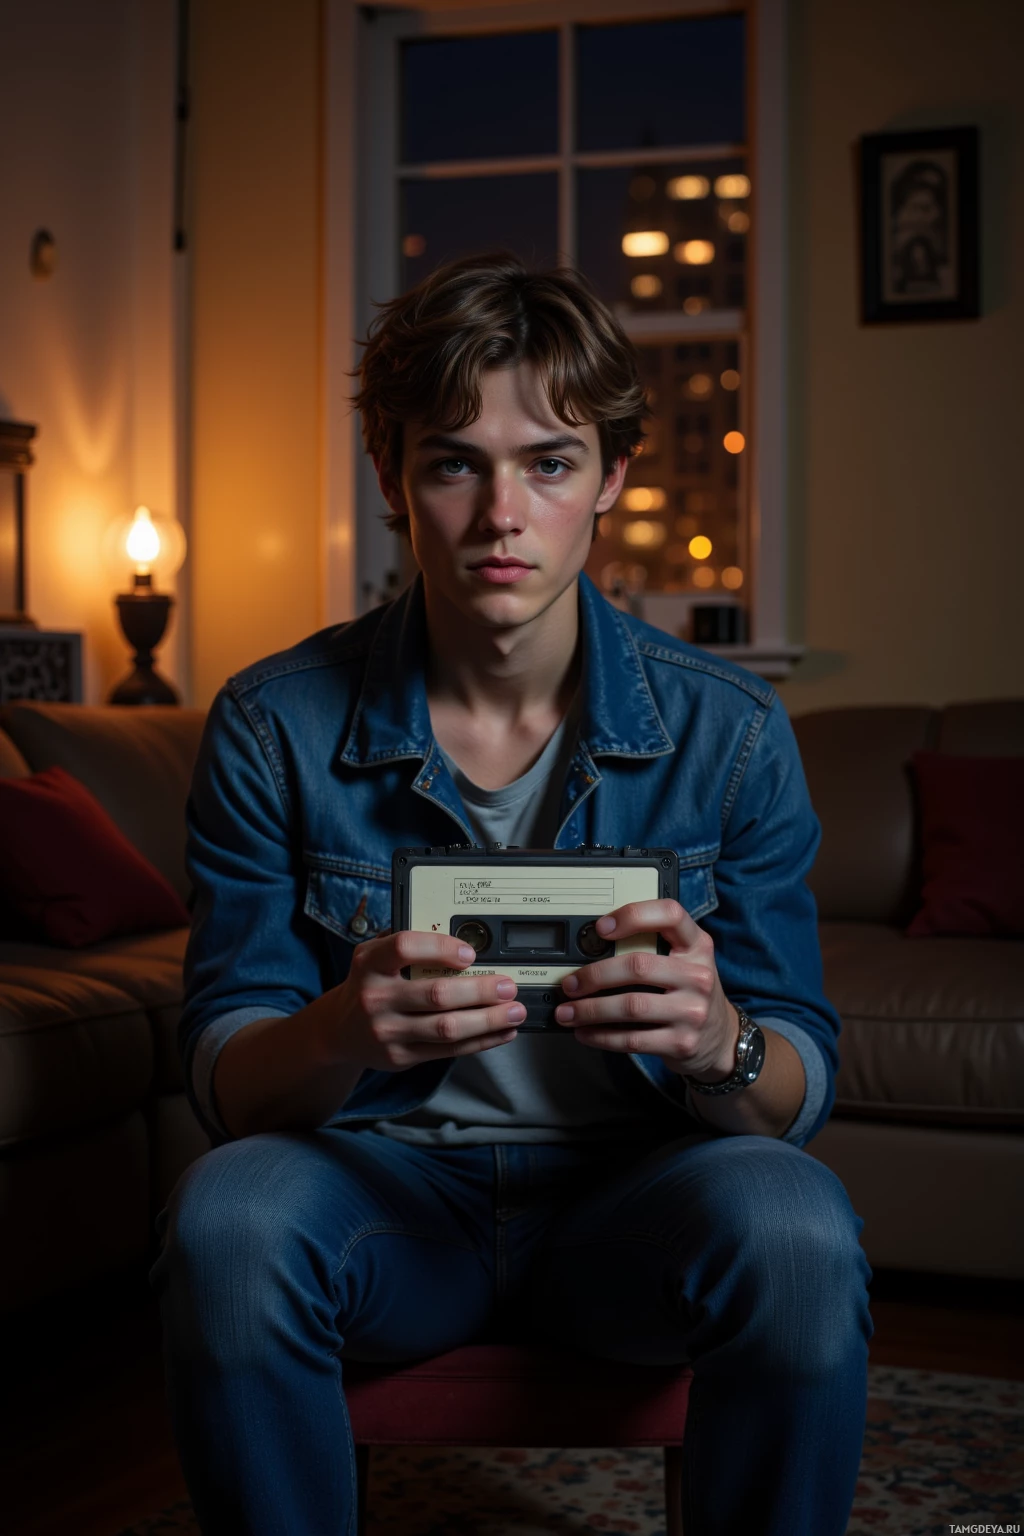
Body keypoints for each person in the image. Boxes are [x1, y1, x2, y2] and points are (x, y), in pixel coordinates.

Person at [152, 254, 872, 1536]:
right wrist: (333, 1031)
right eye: (453, 463)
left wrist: (719, 1040)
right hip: (382, 1203)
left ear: (611, 481)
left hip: (631, 1205)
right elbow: (225, 1080)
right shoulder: (273, 725)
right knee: (232, 1216)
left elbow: (793, 1082)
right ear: (391, 479)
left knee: (797, 1224)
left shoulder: (736, 736)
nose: (501, 513)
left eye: (548, 462)